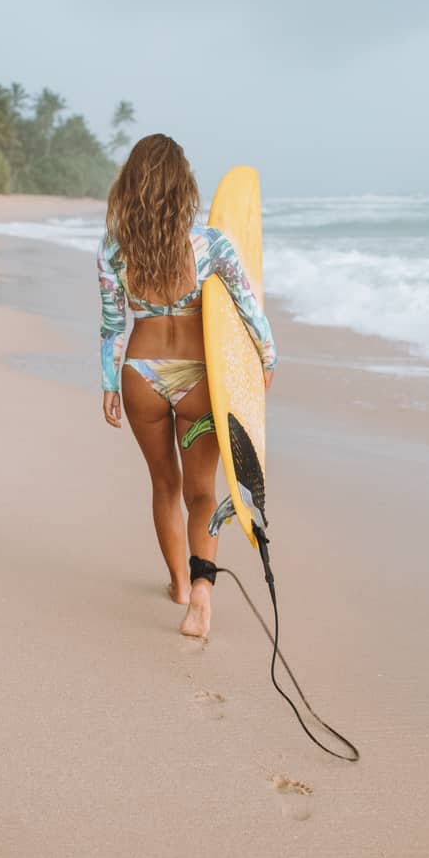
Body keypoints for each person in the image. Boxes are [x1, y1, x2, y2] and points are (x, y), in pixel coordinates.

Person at [98, 134, 276, 638]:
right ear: (185, 187)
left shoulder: (114, 248)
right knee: (202, 492)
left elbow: (112, 324)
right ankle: (201, 594)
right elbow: (247, 306)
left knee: (164, 484)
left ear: (130, 185)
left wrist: (110, 384)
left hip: (142, 378)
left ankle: (177, 583)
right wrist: (267, 356)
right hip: (200, 380)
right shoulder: (211, 243)